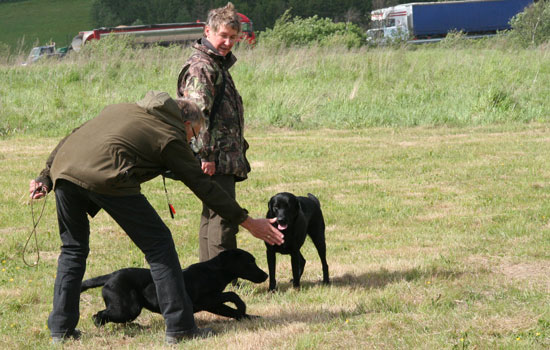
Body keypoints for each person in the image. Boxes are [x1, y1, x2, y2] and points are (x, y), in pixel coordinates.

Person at [29, 91, 283, 344]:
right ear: (185, 124)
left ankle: (61, 330)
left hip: (63, 171)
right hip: (107, 176)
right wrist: (248, 222)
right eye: (194, 135)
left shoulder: (122, 107)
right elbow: (202, 186)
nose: (192, 141)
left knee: (72, 250)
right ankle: (181, 328)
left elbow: (73, 134)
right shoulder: (170, 136)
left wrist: (45, 177)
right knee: (159, 246)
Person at [177, 2, 249, 262]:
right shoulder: (203, 67)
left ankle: (208, 277)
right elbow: (194, 115)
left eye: (233, 37)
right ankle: (222, 279)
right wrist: (205, 155)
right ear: (207, 31)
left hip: (220, 156)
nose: (228, 42)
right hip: (213, 158)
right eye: (223, 36)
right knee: (223, 217)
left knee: (213, 215)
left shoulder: (216, 64)